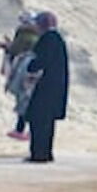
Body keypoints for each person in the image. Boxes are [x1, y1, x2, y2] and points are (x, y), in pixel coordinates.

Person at [22, 11, 69, 163]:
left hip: (46, 85)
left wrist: (30, 67)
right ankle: (45, 152)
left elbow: (42, 59)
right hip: (55, 85)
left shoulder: (48, 39)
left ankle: (39, 154)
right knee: (47, 122)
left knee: (38, 119)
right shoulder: (56, 38)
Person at [0, 11, 41, 140]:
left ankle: (21, 129)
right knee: (27, 99)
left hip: (23, 69)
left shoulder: (24, 34)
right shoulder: (36, 35)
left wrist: (7, 46)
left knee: (24, 99)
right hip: (29, 70)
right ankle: (24, 128)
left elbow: (15, 49)